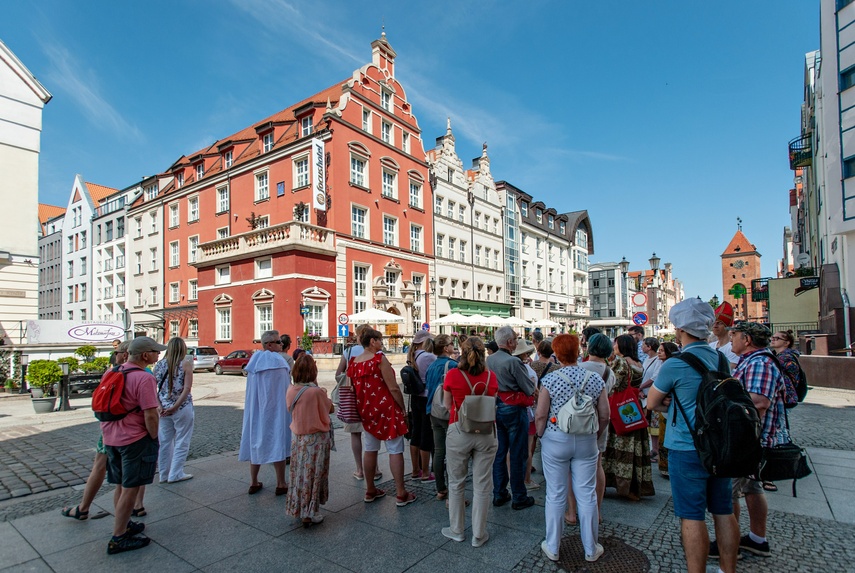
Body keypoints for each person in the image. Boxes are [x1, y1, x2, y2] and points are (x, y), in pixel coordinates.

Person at [647, 298, 739, 573]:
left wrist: (674, 404)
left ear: (680, 329)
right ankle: (728, 569)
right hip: (720, 445)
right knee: (723, 511)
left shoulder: (676, 364)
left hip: (686, 446)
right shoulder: (721, 358)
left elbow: (652, 402)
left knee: (691, 515)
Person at [710, 322, 789, 560]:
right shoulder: (753, 360)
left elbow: (758, 403)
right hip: (749, 439)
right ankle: (757, 539)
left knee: (728, 492)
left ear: (747, 340)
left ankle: (729, 545)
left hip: (747, 440)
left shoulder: (759, 363)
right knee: (752, 487)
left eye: (734, 335)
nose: (730, 339)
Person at [536, 334, 610, 563]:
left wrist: (541, 435)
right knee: (587, 493)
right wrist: (595, 435)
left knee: (556, 493)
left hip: (556, 439)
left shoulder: (550, 380)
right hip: (587, 440)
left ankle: (553, 546)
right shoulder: (596, 378)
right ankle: (590, 548)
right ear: (579, 351)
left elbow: (540, 415)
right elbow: (605, 414)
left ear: (557, 354)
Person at [62, 341, 146, 521]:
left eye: (117, 352)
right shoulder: (142, 373)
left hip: (111, 431)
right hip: (132, 431)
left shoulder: (112, 372)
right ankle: (135, 508)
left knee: (106, 470)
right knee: (129, 475)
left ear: (125, 354)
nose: (114, 355)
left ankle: (87, 508)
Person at [101, 336, 164, 555]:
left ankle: (124, 523)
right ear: (145, 355)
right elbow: (150, 413)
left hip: (111, 438)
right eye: (155, 351)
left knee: (120, 484)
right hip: (134, 439)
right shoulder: (144, 378)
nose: (158, 355)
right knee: (131, 488)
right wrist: (154, 437)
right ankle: (118, 537)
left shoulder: (113, 372)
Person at [440, 336, 499, 547]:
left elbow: (447, 405)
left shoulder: (453, 375)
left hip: (459, 430)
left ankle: (456, 531)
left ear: (461, 353)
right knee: (483, 485)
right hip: (486, 432)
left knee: (456, 483)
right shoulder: (491, 376)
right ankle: (479, 535)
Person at [347, 328, 415, 507]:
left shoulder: (354, 363)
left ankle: (370, 490)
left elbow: (352, 388)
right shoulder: (378, 359)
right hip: (386, 409)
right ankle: (401, 492)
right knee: (394, 448)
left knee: (370, 448)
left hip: (367, 410)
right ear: (372, 341)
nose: (381, 342)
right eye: (379, 339)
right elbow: (393, 388)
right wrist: (402, 408)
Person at [487, 326, 537, 510]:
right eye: (516, 339)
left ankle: (499, 493)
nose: (517, 342)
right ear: (509, 342)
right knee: (517, 453)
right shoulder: (513, 362)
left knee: (500, 452)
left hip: (495, 407)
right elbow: (529, 388)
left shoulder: (489, 360)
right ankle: (519, 496)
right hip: (514, 409)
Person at [238, 330, 291, 496]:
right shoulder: (279, 362)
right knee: (278, 440)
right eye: (278, 342)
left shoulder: (254, 361)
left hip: (257, 410)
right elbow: (286, 388)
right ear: (269, 344)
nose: (281, 344)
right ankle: (281, 482)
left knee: (256, 440)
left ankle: (254, 481)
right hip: (276, 409)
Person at [603, 334, 654, 500]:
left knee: (616, 446)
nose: (614, 347)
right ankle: (634, 486)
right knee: (635, 447)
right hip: (633, 407)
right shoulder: (638, 363)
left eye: (616, 344)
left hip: (619, 408)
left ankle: (616, 483)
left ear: (622, 346)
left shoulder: (621, 362)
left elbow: (613, 384)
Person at [286, 354, 334, 527]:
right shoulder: (316, 392)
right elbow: (330, 409)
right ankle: (310, 511)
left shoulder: (291, 390)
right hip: (316, 439)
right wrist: (322, 392)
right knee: (314, 475)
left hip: (298, 438)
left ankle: (299, 507)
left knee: (300, 474)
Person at [574, 333, 616, 524]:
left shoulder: (578, 368)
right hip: (600, 422)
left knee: (572, 467)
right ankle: (597, 510)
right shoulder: (610, 373)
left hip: (576, 421)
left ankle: (572, 510)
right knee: (597, 466)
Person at [334, 324, 381, 482]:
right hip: (371, 397)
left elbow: (338, 374)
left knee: (355, 434)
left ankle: (360, 469)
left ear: (359, 336)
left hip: (352, 399)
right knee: (371, 432)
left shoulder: (348, 352)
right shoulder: (376, 352)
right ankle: (374, 468)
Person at [153, 337, 195, 484]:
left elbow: (153, 389)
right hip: (182, 408)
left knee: (164, 442)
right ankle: (175, 473)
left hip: (163, 409)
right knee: (182, 440)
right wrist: (176, 406)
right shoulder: (185, 364)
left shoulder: (158, 365)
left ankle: (164, 474)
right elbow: (187, 388)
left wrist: (159, 406)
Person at [425, 334, 457, 500]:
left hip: (433, 410)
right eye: (451, 344)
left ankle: (440, 489)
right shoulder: (452, 365)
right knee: (453, 452)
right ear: (446, 348)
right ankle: (453, 492)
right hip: (447, 411)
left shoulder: (431, 366)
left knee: (438, 451)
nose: (453, 346)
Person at [407, 330, 436, 482]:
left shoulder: (413, 354)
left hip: (415, 398)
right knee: (426, 434)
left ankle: (415, 470)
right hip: (426, 397)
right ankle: (426, 472)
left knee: (416, 433)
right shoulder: (428, 356)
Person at [655, 342, 680, 478]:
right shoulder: (661, 364)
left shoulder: (670, 365)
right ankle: (664, 466)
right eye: (658, 350)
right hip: (663, 406)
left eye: (662, 351)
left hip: (669, 406)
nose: (659, 353)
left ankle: (668, 467)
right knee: (662, 437)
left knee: (667, 437)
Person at [639, 337, 662, 462]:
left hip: (652, 395)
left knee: (655, 424)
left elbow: (654, 378)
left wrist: (640, 387)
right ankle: (653, 449)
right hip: (644, 395)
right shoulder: (646, 360)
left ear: (649, 347)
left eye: (644, 345)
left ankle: (656, 450)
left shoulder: (658, 360)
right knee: (649, 424)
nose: (642, 347)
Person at [709, 302, 739, 368]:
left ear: (727, 327)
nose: (715, 326)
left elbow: (730, 368)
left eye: (719, 323)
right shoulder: (710, 346)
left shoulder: (733, 347)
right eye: (714, 323)